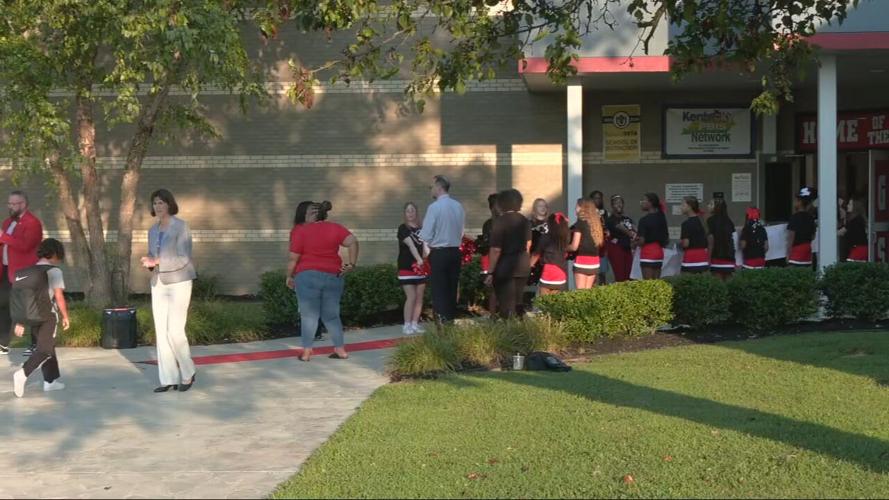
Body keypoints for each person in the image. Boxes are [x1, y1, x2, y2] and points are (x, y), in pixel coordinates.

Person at [140, 189, 197, 393]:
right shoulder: (152, 230)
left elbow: (184, 257)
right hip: (158, 282)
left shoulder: (181, 226)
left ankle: (188, 372)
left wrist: (158, 261)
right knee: (161, 332)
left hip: (179, 281)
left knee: (175, 330)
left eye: (162, 202)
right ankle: (168, 378)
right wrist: (149, 261)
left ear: (169, 204)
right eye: (155, 203)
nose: (158, 206)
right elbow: (152, 253)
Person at [289, 201, 359, 361]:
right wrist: (351, 264)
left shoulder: (299, 230)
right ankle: (340, 350)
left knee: (308, 316)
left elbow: (293, 258)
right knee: (332, 315)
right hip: (333, 275)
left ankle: (306, 352)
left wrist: (289, 276)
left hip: (307, 276)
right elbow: (353, 242)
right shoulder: (335, 227)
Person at [11, 238, 70, 398]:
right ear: (56, 254)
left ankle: (50, 382)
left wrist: (21, 321)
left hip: (32, 316)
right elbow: (58, 297)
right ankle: (23, 373)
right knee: (44, 350)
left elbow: (23, 298)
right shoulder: (55, 271)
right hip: (48, 316)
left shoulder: (29, 271)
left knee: (47, 346)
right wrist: (65, 316)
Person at [0, 190, 43, 355]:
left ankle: (35, 344)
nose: (10, 207)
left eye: (14, 204)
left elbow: (26, 246)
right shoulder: (7, 223)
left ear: (23, 204)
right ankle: (3, 343)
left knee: (29, 307)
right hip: (6, 270)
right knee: (3, 305)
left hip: (25, 271)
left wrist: (4, 237)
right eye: (9, 203)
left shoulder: (33, 223)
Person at [419, 175, 465, 324]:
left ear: (439, 187)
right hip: (455, 252)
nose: (430, 190)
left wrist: (428, 250)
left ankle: (441, 327)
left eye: (431, 187)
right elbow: (461, 231)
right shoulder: (458, 206)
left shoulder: (434, 207)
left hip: (439, 252)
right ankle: (450, 323)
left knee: (439, 293)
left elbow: (425, 234)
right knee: (451, 292)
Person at [485, 189, 531, 318]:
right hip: (522, 264)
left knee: (506, 304)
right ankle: (521, 329)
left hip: (505, 266)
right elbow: (528, 245)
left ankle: (510, 331)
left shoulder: (499, 222)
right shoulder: (525, 221)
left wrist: (490, 271)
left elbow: (496, 249)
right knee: (518, 301)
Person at [288, 201, 325, 341]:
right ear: (303, 212)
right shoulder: (298, 230)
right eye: (311, 210)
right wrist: (291, 275)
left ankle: (316, 330)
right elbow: (294, 254)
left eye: (316, 211)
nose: (315, 213)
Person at [397, 202, 428, 335]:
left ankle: (415, 323)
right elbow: (411, 246)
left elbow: (426, 246)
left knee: (420, 297)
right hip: (406, 267)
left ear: (416, 213)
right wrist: (419, 259)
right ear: (405, 213)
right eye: (408, 211)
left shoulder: (422, 228)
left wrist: (426, 259)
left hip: (421, 268)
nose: (410, 213)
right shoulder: (403, 228)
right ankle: (407, 324)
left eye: (413, 211)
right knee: (411, 296)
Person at [568, 197, 605, 289]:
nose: (575, 209)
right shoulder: (596, 223)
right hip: (595, 262)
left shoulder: (580, 223)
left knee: (580, 293)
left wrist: (564, 247)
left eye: (576, 207)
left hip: (582, 260)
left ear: (582, 208)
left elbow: (574, 246)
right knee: (588, 293)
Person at [530, 212, 570, 295]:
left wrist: (530, 265)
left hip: (548, 273)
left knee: (543, 302)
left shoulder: (545, 237)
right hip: (561, 273)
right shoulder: (565, 238)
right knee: (555, 302)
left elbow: (536, 254)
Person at [635, 192, 669, 280]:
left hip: (648, 252)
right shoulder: (661, 218)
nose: (641, 202)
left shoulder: (644, 220)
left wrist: (634, 242)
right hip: (659, 252)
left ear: (650, 203)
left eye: (643, 200)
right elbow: (666, 238)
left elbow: (641, 241)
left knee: (648, 283)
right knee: (656, 282)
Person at [476, 194, 500, 315]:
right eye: (497, 205)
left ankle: (504, 314)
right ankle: (493, 315)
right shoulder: (488, 224)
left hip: (503, 259)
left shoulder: (506, 223)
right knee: (492, 290)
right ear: (491, 208)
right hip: (489, 259)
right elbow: (486, 244)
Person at [605, 195, 635, 282]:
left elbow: (634, 228)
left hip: (627, 249)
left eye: (620, 202)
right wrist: (632, 234)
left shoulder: (627, 219)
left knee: (629, 275)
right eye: (616, 203)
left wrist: (637, 235)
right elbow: (621, 227)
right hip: (616, 249)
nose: (619, 205)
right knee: (620, 275)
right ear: (612, 205)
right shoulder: (610, 219)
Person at [707, 195, 736, 279]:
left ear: (717, 207)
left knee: (718, 285)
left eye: (711, 204)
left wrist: (708, 258)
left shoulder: (711, 221)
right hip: (729, 257)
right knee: (729, 284)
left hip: (716, 256)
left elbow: (710, 241)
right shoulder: (729, 221)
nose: (708, 206)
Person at [786, 187, 817, 268]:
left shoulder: (794, 217)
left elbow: (791, 237)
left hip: (796, 251)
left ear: (800, 202)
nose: (794, 202)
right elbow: (813, 236)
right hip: (808, 249)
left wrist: (788, 254)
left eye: (796, 200)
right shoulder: (811, 218)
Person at [679, 196, 709, 273]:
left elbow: (686, 243)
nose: (681, 207)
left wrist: (680, 243)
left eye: (683, 205)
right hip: (703, 257)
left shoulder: (686, 224)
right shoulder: (703, 221)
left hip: (690, 258)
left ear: (689, 207)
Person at [589, 190, 611, 284]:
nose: (598, 200)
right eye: (596, 198)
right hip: (591, 246)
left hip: (602, 246)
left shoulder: (606, 213)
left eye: (600, 198)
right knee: (592, 274)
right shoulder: (587, 213)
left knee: (602, 273)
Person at [527, 198, 549, 287]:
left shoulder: (551, 223)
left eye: (545, 206)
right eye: (540, 206)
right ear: (535, 208)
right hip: (533, 257)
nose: (543, 208)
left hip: (547, 258)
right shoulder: (529, 223)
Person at [841, 197, 868, 262]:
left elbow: (842, 232)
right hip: (862, 248)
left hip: (858, 250)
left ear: (855, 207)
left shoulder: (855, 221)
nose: (847, 206)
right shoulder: (859, 219)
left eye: (850, 204)